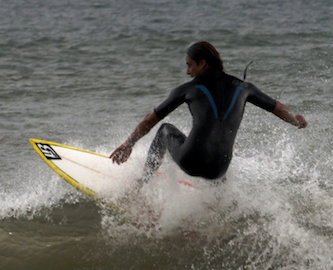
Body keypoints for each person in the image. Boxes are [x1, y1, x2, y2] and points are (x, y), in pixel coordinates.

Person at [110, 41, 307, 182]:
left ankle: (143, 184)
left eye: (189, 65)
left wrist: (128, 145)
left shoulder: (189, 89)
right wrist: (296, 121)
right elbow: (279, 108)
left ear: (202, 63)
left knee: (164, 130)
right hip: (218, 170)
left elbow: (149, 121)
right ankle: (220, 201)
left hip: (191, 162)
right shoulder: (244, 87)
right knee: (218, 145)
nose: (188, 72)